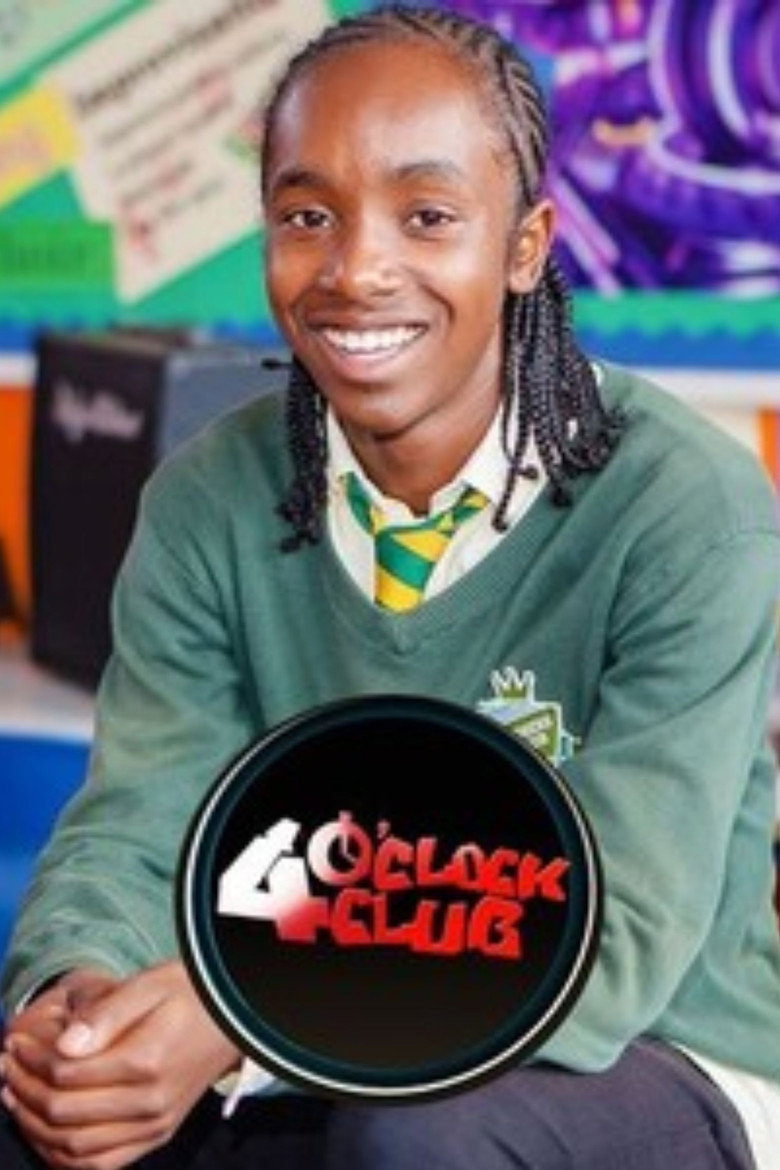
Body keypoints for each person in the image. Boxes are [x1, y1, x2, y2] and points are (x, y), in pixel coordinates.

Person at [2, 4, 780, 1167]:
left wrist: (236, 1020)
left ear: (525, 246)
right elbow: (135, 831)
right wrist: (77, 1006)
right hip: (310, 1035)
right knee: (48, 1117)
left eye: (428, 216)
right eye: (307, 215)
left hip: (651, 1053)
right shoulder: (207, 500)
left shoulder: (685, 505)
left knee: (418, 1136)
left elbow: (614, 940)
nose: (356, 269)